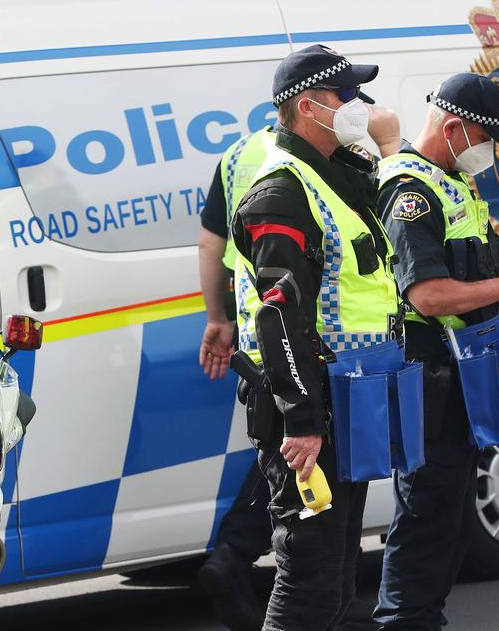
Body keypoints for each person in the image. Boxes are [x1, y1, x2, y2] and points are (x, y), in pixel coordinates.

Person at [195, 99, 400, 631]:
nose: (359, 107)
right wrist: (305, 421)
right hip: (304, 397)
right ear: (309, 107)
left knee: (336, 576)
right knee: (309, 575)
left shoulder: (330, 173)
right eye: (346, 97)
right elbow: (279, 316)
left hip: (342, 390)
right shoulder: (283, 189)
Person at [372, 72, 499, 630]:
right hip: (427, 376)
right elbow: (426, 295)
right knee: (425, 517)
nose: (490, 151)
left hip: (459, 375)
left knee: (449, 518)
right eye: (486, 138)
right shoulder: (409, 192)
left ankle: (426, 619)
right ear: (453, 128)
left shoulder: (451, 181)